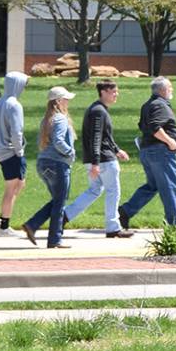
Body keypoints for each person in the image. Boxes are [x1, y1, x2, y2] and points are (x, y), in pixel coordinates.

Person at [63, 80, 131, 237]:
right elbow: (96, 137)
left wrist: (117, 149)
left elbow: (105, 136)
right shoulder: (99, 111)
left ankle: (64, 216)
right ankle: (113, 228)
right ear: (104, 92)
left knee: (94, 190)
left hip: (97, 159)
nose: (116, 95)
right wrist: (96, 162)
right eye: (113, 92)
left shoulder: (97, 109)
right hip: (104, 161)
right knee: (113, 191)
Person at [119, 77, 176, 231]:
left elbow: (142, 126)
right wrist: (170, 141)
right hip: (161, 152)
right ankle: (173, 224)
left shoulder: (147, 105)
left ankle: (126, 211)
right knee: (170, 187)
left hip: (147, 151)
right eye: (170, 88)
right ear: (163, 90)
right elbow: (155, 127)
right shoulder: (159, 105)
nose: (172, 90)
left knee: (152, 186)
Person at [23, 86, 76, 248]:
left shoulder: (47, 118)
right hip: (57, 163)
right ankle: (54, 240)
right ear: (59, 101)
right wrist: (70, 151)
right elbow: (59, 140)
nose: (68, 102)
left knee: (58, 200)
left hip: (44, 163)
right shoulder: (60, 119)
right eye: (66, 99)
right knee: (60, 202)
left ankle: (32, 225)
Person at [0, 70, 30, 235]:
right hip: (11, 151)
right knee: (12, 188)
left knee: (19, 184)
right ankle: (4, 226)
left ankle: (3, 219)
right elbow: (16, 131)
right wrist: (19, 151)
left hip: (0, 150)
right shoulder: (14, 105)